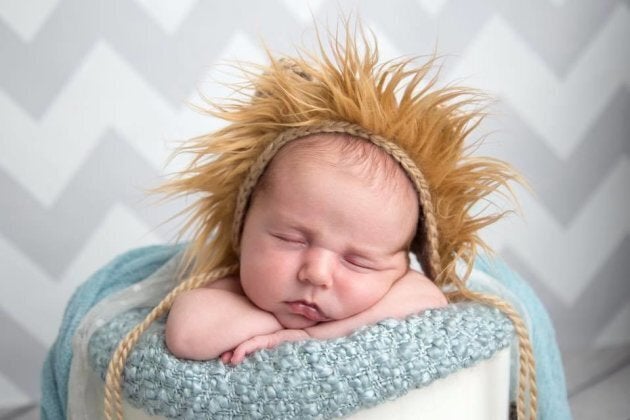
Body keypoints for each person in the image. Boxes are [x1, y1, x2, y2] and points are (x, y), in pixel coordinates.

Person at [164, 133, 447, 364]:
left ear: (401, 268)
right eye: (291, 240)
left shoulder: (402, 287)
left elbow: (430, 298)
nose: (317, 274)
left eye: (357, 262)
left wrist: (312, 336)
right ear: (242, 228)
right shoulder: (229, 290)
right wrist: (276, 321)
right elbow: (187, 336)